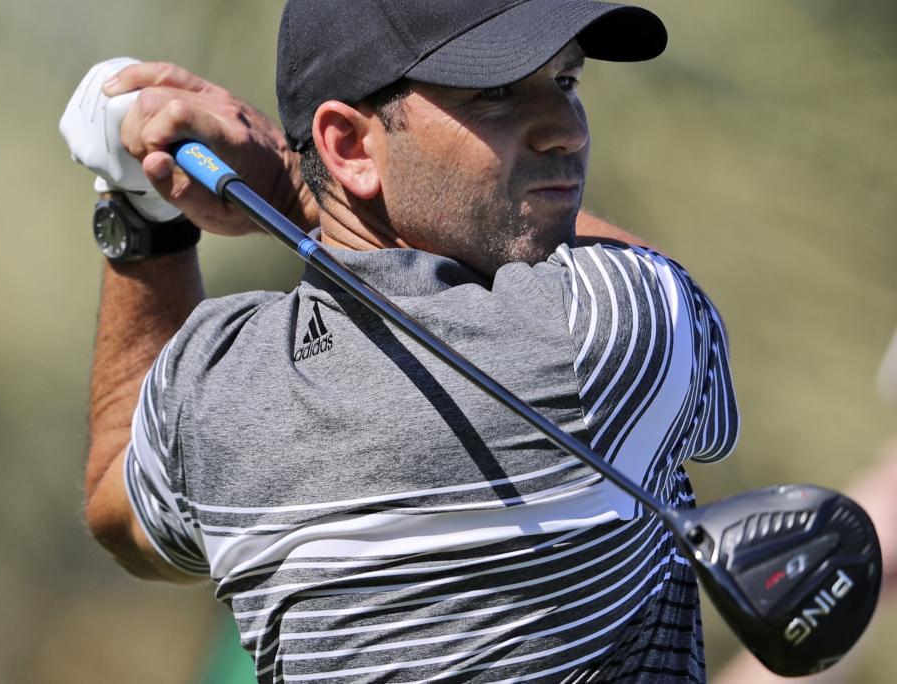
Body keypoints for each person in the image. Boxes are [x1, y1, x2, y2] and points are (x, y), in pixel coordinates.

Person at [67, 1, 739, 681]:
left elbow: (115, 505)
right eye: (497, 94)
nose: (565, 130)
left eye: (566, 81)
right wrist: (287, 183)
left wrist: (142, 210)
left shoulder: (215, 391)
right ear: (351, 146)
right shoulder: (612, 329)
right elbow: (679, 320)